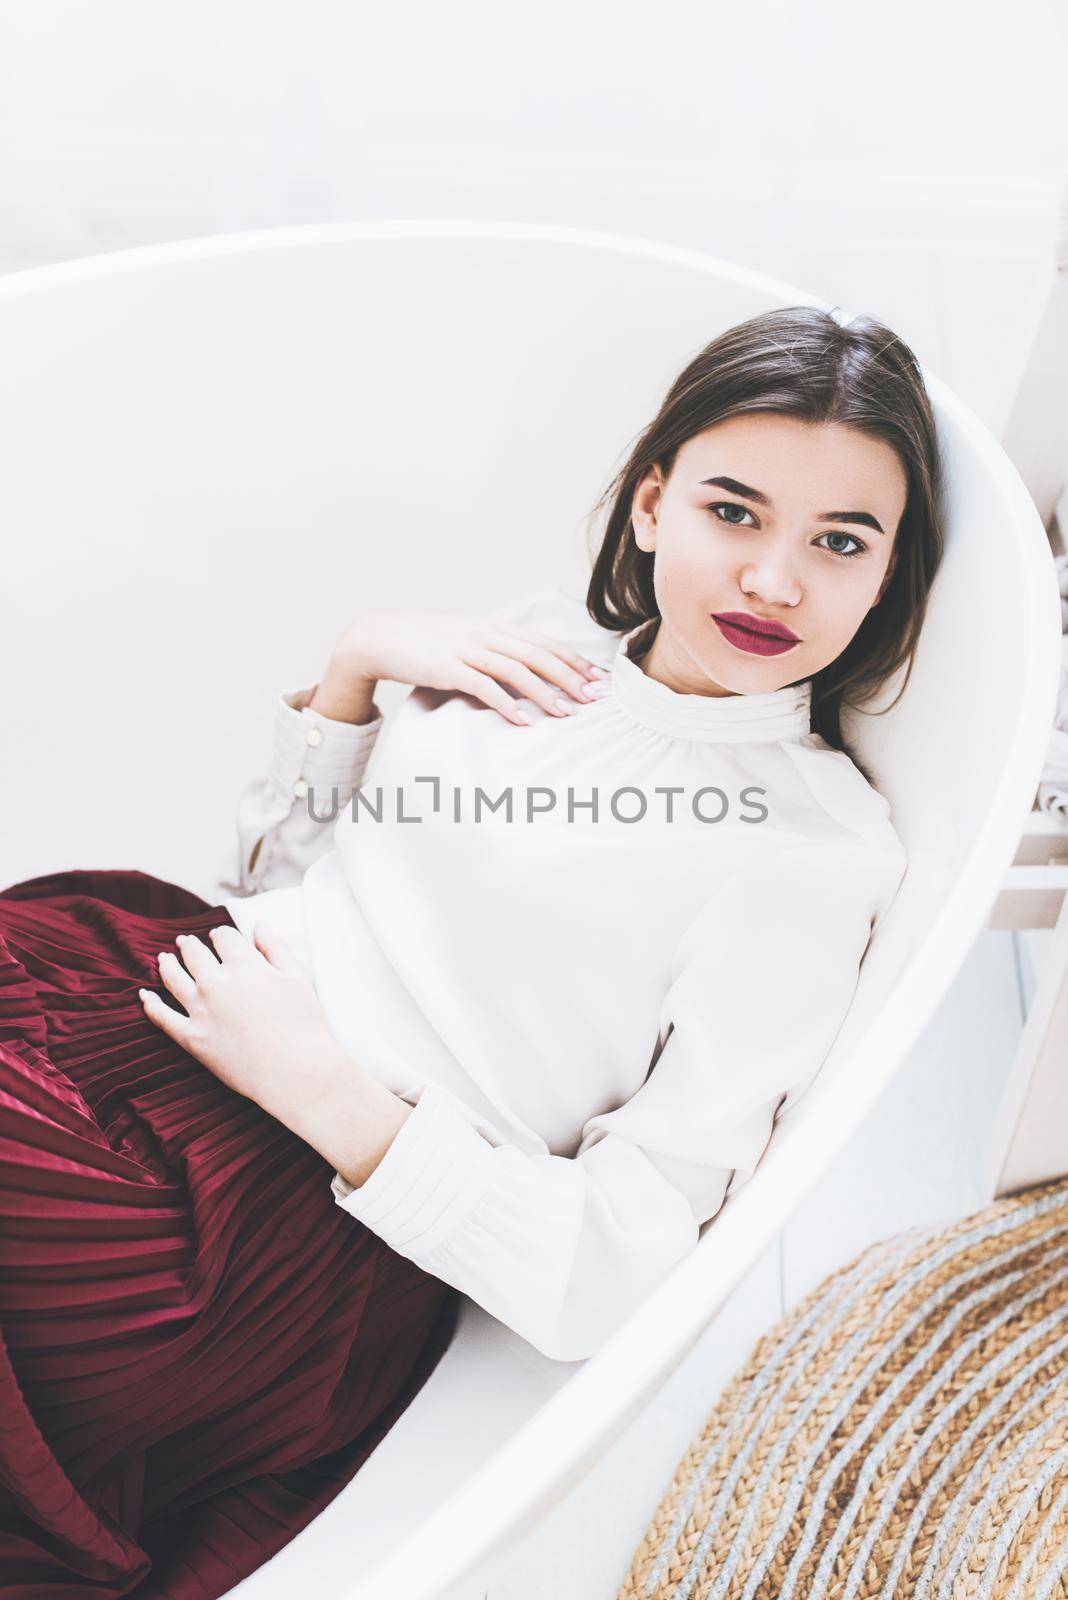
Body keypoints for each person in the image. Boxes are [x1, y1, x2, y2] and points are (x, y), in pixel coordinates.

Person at [0, 305, 943, 1597]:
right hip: (160, 988)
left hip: (281, 1217)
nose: (776, 580)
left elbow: (624, 1267)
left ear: (890, 574)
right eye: (736, 511)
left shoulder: (813, 850)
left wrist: (328, 1092)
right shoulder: (536, 645)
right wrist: (351, 679)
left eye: (842, 542)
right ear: (654, 503)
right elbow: (284, 887)